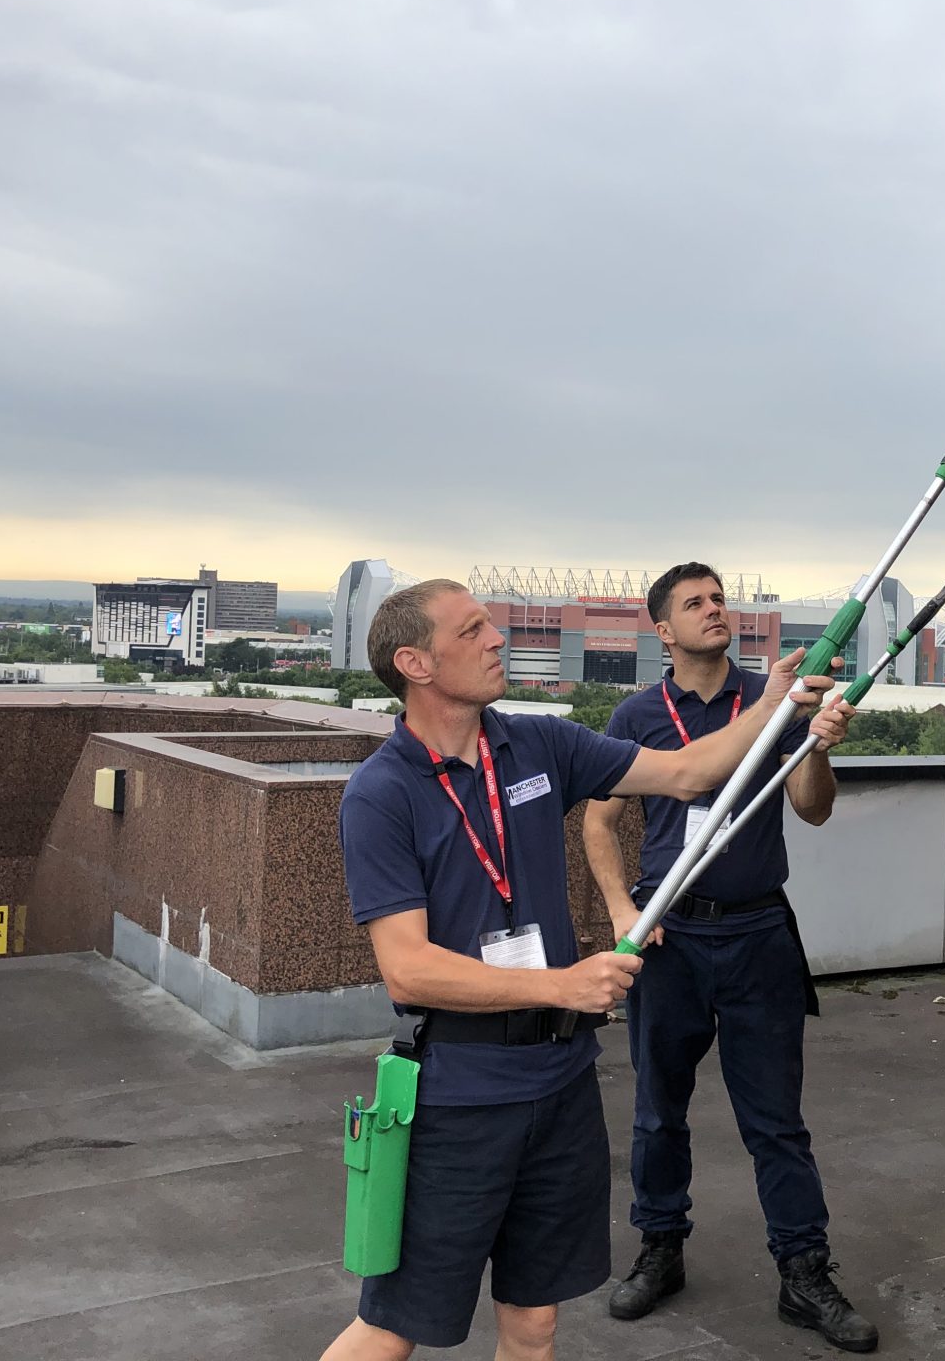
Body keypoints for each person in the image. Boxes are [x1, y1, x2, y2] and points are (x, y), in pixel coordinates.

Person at [319, 578, 848, 1361]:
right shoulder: (381, 793)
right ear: (416, 663)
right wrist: (561, 985)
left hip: (560, 1081)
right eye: (473, 631)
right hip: (463, 1092)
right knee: (396, 1326)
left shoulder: (537, 744)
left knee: (535, 1324)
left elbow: (688, 773)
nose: (498, 638)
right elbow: (408, 971)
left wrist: (772, 700)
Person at [585, 562, 879, 1353]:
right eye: (695, 603)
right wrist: (625, 915)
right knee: (657, 1113)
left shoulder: (772, 699)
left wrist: (815, 746)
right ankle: (660, 1250)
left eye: (720, 599)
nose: (715, 611)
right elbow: (597, 824)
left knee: (776, 1122)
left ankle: (804, 1272)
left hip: (756, 938)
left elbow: (813, 810)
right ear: (663, 630)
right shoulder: (636, 715)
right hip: (672, 938)